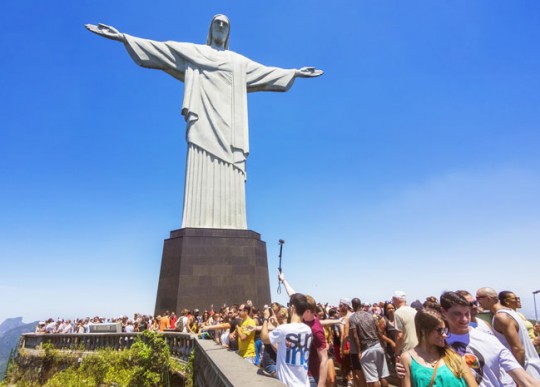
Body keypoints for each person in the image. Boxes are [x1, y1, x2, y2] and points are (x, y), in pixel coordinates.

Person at [85, 15, 322, 229]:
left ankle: (234, 225)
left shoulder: (237, 62)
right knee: (200, 169)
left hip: (230, 130)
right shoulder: (195, 53)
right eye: (216, 23)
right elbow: (161, 50)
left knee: (232, 174)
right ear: (210, 29)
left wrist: (295, 73)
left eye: (225, 24)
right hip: (203, 124)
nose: (220, 26)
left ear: (228, 32)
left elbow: (266, 73)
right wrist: (123, 37)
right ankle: (196, 222)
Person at [440, 291, 540, 387]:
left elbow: (525, 379)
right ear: (443, 311)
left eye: (467, 313)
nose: (464, 319)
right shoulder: (437, 341)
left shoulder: (489, 340)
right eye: (457, 314)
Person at [400, 308, 477, 387]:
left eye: (445, 330)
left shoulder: (453, 357)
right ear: (423, 330)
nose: (444, 335)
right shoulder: (407, 358)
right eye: (439, 330)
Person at [477, 287, 540, 379]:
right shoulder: (510, 312)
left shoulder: (501, 317)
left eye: (478, 298)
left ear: (488, 298)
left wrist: (519, 377)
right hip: (531, 365)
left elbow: (517, 348)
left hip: (524, 368)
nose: (477, 302)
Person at [261, 293, 313, 387]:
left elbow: (264, 338)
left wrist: (265, 318)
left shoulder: (284, 329)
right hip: (304, 383)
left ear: (292, 307)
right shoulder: (308, 330)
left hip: (288, 384)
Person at [349, 297, 389, 387]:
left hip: (366, 349)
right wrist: (382, 345)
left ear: (353, 306)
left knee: (373, 379)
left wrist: (359, 351)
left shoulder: (352, 318)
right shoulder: (370, 315)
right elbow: (379, 331)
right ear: (361, 304)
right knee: (383, 376)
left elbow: (355, 336)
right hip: (377, 345)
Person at [392, 291, 419, 358]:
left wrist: (397, 353)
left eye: (393, 299)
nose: (392, 301)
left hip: (407, 350)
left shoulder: (398, 313)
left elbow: (399, 335)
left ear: (397, 299)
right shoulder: (414, 311)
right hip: (418, 347)